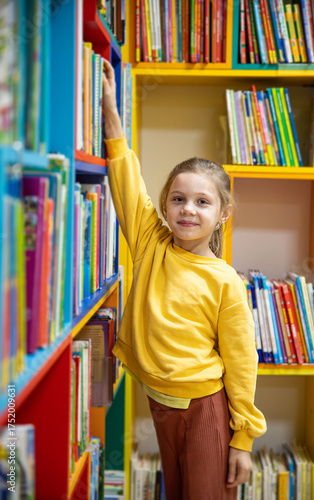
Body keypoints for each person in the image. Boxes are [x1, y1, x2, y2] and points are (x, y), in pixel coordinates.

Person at [102, 59, 266, 500]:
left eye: (201, 201)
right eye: (178, 199)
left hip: (205, 407)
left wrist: (243, 439)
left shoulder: (224, 281)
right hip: (161, 403)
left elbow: (241, 363)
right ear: (165, 205)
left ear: (223, 214)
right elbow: (127, 187)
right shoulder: (151, 242)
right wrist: (111, 117)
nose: (188, 209)